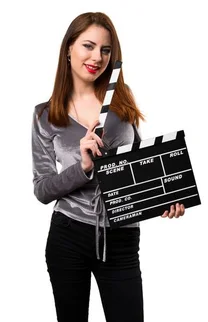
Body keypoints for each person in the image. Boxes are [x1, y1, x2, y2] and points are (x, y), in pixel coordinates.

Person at [31, 12, 184, 322]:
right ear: (69, 49)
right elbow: (43, 189)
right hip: (68, 235)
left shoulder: (122, 104)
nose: (96, 57)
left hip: (121, 236)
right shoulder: (46, 115)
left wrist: (166, 195)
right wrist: (84, 166)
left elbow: (140, 167)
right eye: (88, 46)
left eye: (105, 50)